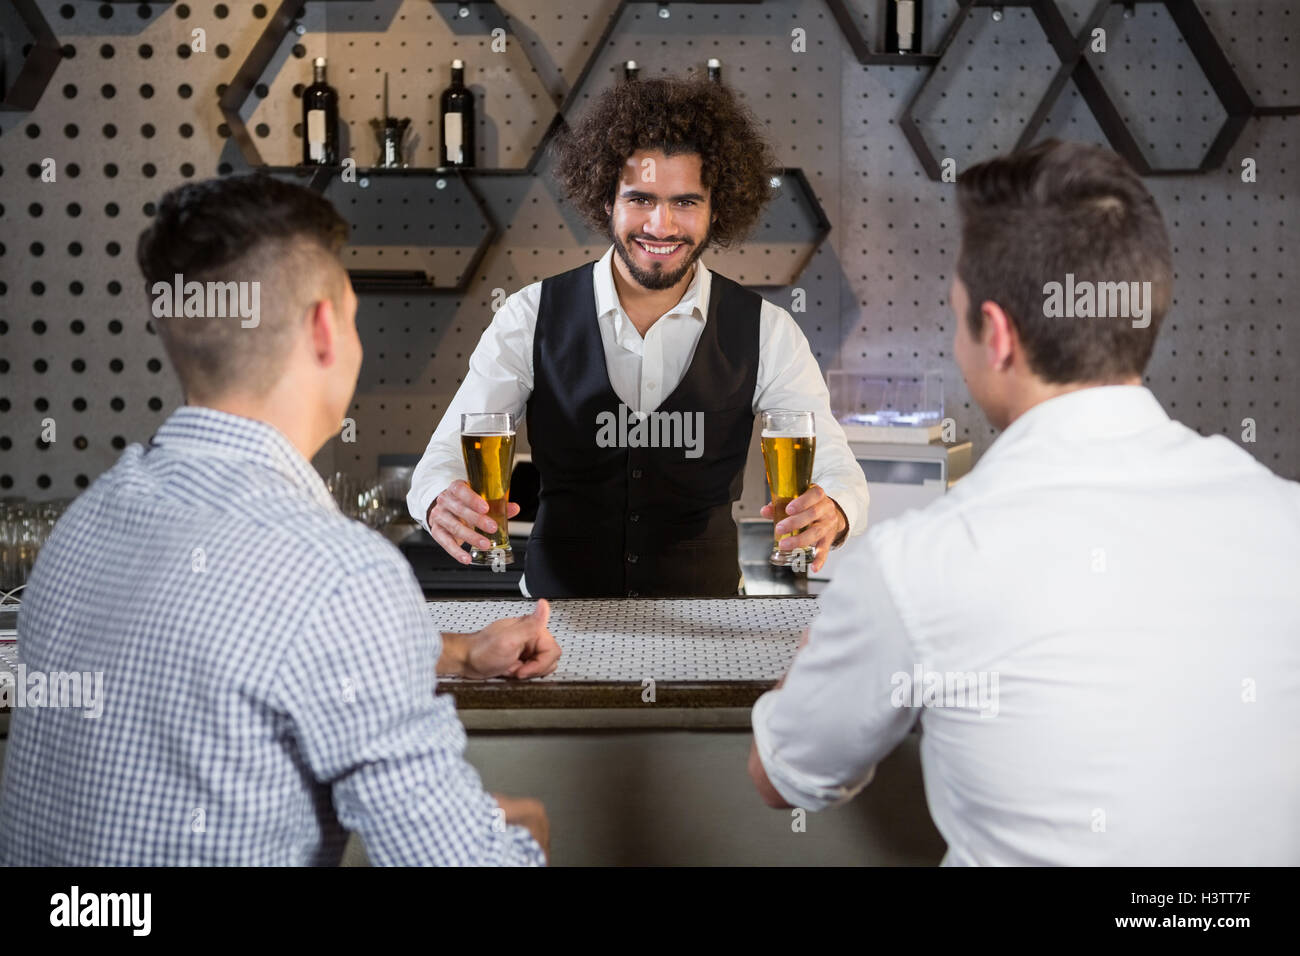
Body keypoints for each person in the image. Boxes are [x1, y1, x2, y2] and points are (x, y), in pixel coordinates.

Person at [747, 139, 1300, 865]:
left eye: (957, 316)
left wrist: (835, 639)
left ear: (997, 335)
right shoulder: (1283, 519)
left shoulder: (915, 565)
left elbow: (782, 778)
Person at [0, 175, 559, 866]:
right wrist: (523, 832)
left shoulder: (88, 524)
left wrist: (457, 652)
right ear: (326, 329)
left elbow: (238, 634)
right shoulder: (340, 572)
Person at [408, 76, 870, 598]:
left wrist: (833, 505)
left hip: (711, 631)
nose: (661, 224)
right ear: (607, 200)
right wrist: (437, 499)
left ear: (717, 210)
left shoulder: (767, 329)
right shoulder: (528, 315)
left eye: (685, 203)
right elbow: (442, 457)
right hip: (555, 628)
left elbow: (836, 464)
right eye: (641, 199)